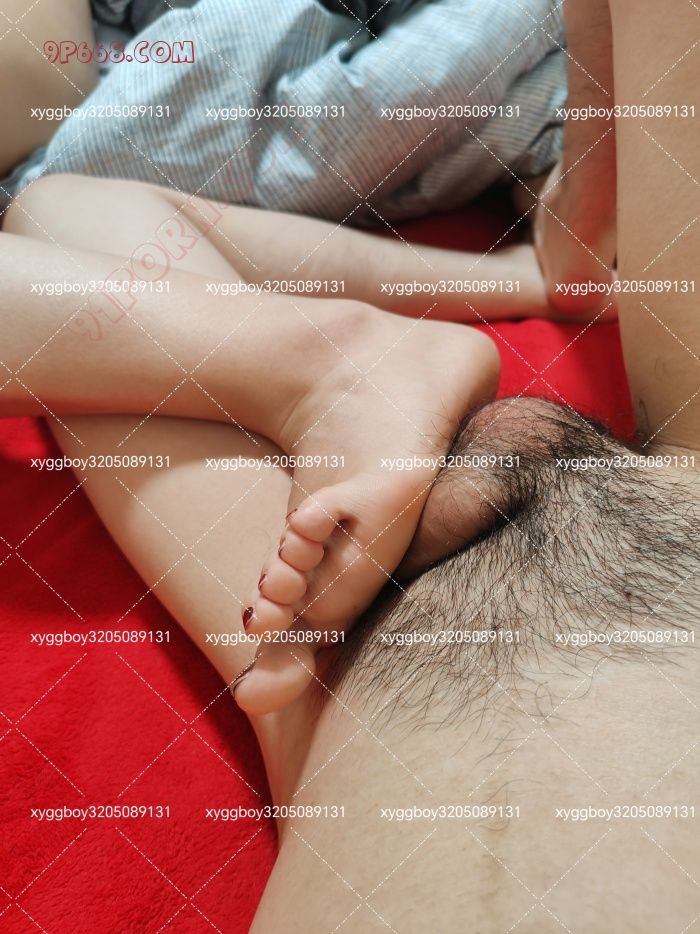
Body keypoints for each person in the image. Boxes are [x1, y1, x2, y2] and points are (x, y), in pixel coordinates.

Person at [2, 0, 698, 929]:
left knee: (57, 214)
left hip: (339, 670)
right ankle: (337, 364)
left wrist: (533, 274)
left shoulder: (301, 674)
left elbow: (75, 212)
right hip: (669, 495)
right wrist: (542, 273)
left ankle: (331, 363)